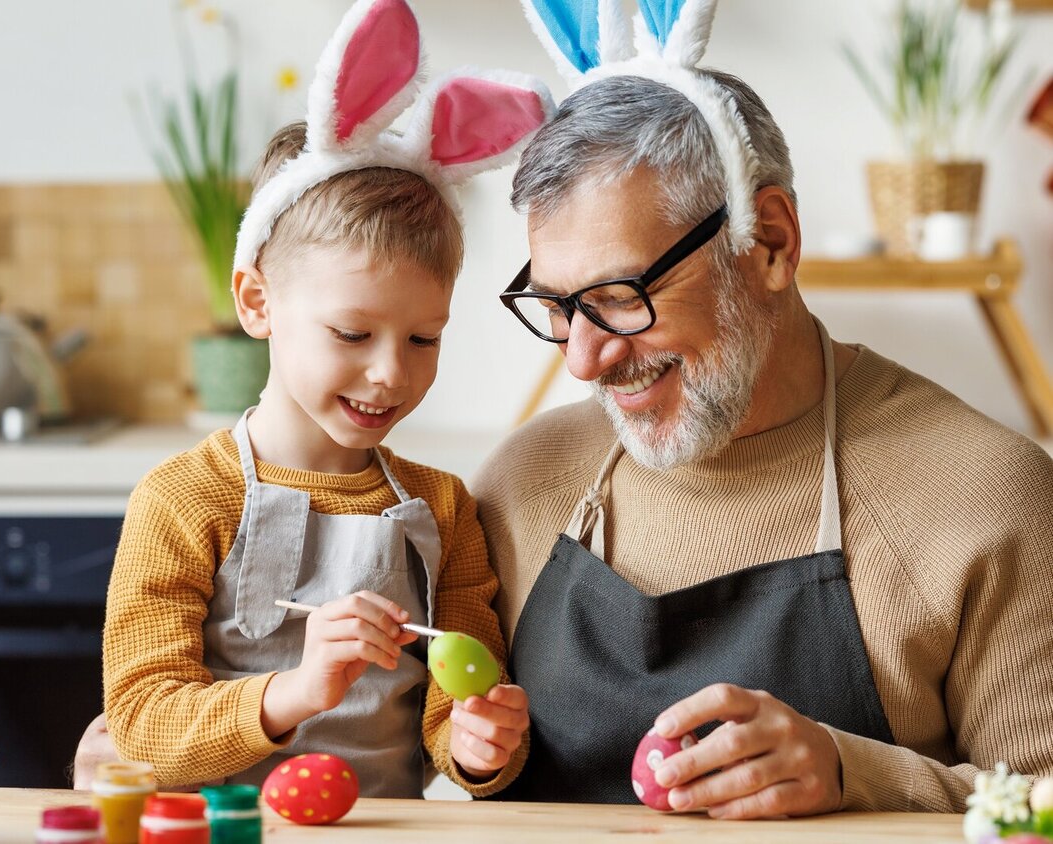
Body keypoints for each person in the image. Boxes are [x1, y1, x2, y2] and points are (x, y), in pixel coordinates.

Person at [473, 0, 1053, 819]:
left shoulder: (986, 493)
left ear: (770, 241)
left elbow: (1045, 804)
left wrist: (856, 775)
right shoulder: (518, 484)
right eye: (560, 307)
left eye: (620, 297)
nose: (583, 359)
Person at [96, 0, 552, 798]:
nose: (390, 374)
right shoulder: (181, 501)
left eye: (423, 339)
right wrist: (297, 692)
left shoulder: (443, 509)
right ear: (257, 302)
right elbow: (141, 725)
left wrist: (482, 747)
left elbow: (456, 725)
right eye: (351, 334)